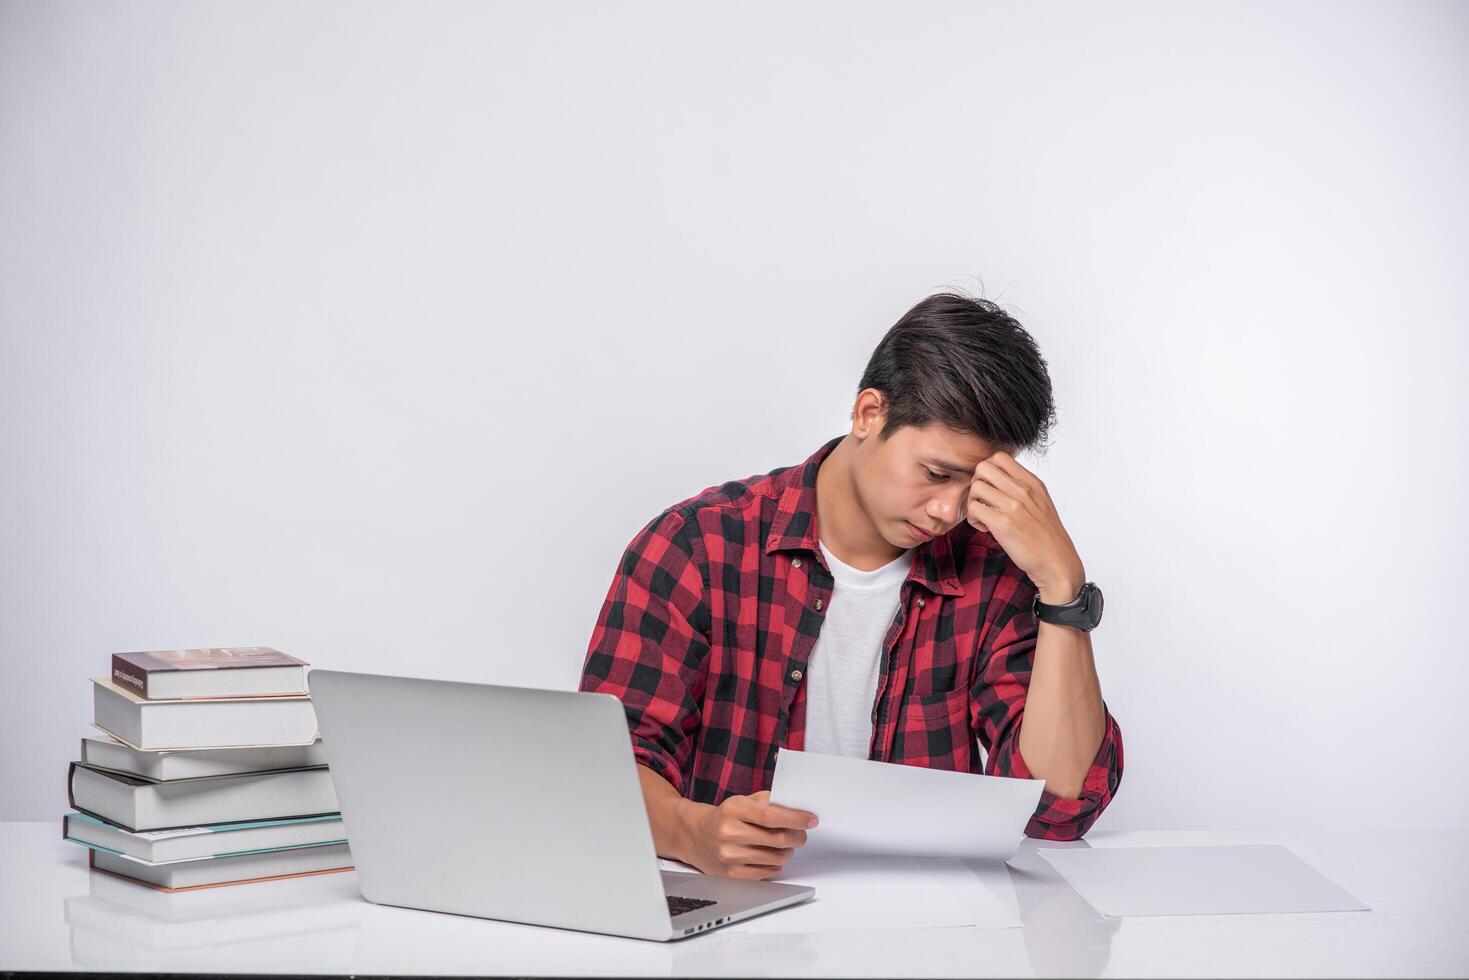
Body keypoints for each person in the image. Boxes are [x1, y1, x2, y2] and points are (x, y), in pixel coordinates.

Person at [579, 292, 1124, 880]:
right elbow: (606, 767)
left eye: (977, 489)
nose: (948, 511)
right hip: (734, 923)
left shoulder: (993, 574)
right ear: (869, 414)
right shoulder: (698, 546)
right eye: (937, 474)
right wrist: (693, 834)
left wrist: (1062, 587)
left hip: (929, 929)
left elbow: (1060, 806)